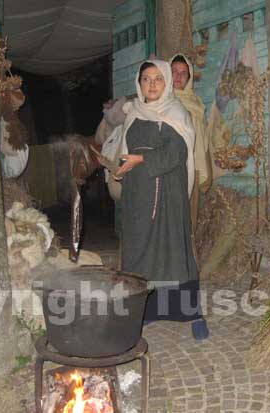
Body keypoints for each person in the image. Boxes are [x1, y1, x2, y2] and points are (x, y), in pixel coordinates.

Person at [115, 59, 209, 340]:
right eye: (146, 79)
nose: (152, 84)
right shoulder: (132, 114)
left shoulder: (176, 113)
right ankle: (147, 312)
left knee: (174, 253)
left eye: (158, 79)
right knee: (140, 254)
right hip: (138, 197)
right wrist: (121, 168)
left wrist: (141, 158)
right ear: (139, 83)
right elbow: (124, 150)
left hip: (168, 196)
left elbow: (176, 154)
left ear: (167, 82)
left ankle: (192, 314)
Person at [170, 54, 212, 231]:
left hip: (191, 168)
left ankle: (186, 257)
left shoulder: (195, 102)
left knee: (187, 219)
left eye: (184, 73)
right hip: (167, 169)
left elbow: (203, 139)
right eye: (174, 72)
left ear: (189, 78)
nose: (179, 77)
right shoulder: (159, 101)